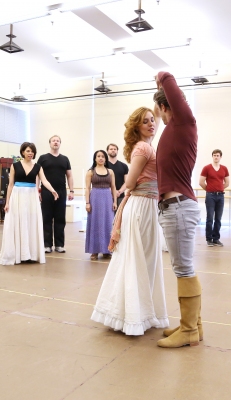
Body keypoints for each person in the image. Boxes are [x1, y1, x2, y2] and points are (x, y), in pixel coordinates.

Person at [91, 106, 169, 335]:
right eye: (145, 121)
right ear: (137, 126)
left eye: (152, 120)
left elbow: (159, 121)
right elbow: (132, 181)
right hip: (141, 206)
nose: (151, 124)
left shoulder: (147, 146)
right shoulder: (143, 148)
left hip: (146, 205)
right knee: (138, 259)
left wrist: (158, 104)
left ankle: (137, 312)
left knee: (141, 259)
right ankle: (133, 314)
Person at [154, 71, 202, 348]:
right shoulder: (173, 131)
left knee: (183, 269)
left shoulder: (185, 122)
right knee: (184, 267)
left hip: (179, 207)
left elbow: (170, 82)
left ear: (163, 108)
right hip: (174, 207)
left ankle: (188, 330)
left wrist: (161, 78)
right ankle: (194, 325)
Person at [0, 142, 59, 265]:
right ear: (22, 152)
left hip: (31, 196)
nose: (30, 153)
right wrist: (7, 202)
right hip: (17, 195)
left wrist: (53, 191)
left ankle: (30, 253)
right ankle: (18, 254)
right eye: (28, 151)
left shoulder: (38, 167)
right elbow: (10, 185)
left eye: (32, 151)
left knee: (30, 223)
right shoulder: (14, 166)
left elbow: (45, 181)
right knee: (18, 222)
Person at [37, 135, 74, 254]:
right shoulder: (43, 158)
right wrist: (37, 190)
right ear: (50, 143)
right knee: (46, 218)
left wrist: (71, 190)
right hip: (46, 192)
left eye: (58, 141)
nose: (56, 142)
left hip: (61, 192)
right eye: (54, 141)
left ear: (60, 144)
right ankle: (47, 245)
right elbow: (37, 175)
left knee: (60, 219)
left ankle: (59, 244)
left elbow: (69, 175)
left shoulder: (65, 159)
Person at [85, 150, 117, 260]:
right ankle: (94, 250)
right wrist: (87, 203)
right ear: (95, 158)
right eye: (98, 156)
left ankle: (107, 250)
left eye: (103, 156)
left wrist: (115, 202)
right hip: (95, 198)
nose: (100, 158)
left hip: (107, 199)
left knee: (108, 223)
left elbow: (113, 187)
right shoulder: (91, 172)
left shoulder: (110, 171)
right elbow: (88, 188)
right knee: (95, 223)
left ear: (105, 159)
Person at [199, 149, 229, 247]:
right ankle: (209, 238)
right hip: (210, 196)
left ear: (220, 157)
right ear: (212, 156)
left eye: (218, 155)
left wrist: (219, 188)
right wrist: (209, 189)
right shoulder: (207, 168)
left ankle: (216, 238)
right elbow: (201, 182)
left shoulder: (224, 168)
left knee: (218, 218)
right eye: (214, 155)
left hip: (220, 196)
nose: (216, 157)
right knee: (210, 218)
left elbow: (227, 182)